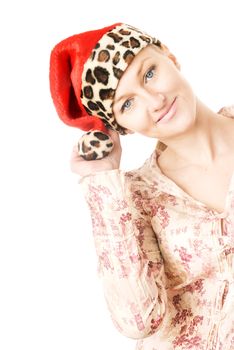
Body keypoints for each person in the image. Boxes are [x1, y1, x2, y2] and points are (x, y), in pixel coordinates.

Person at [49, 22, 234, 349]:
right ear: (120, 126)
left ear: (170, 57)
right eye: (127, 104)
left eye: (149, 73)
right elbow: (137, 321)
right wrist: (101, 182)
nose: (155, 100)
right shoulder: (135, 196)